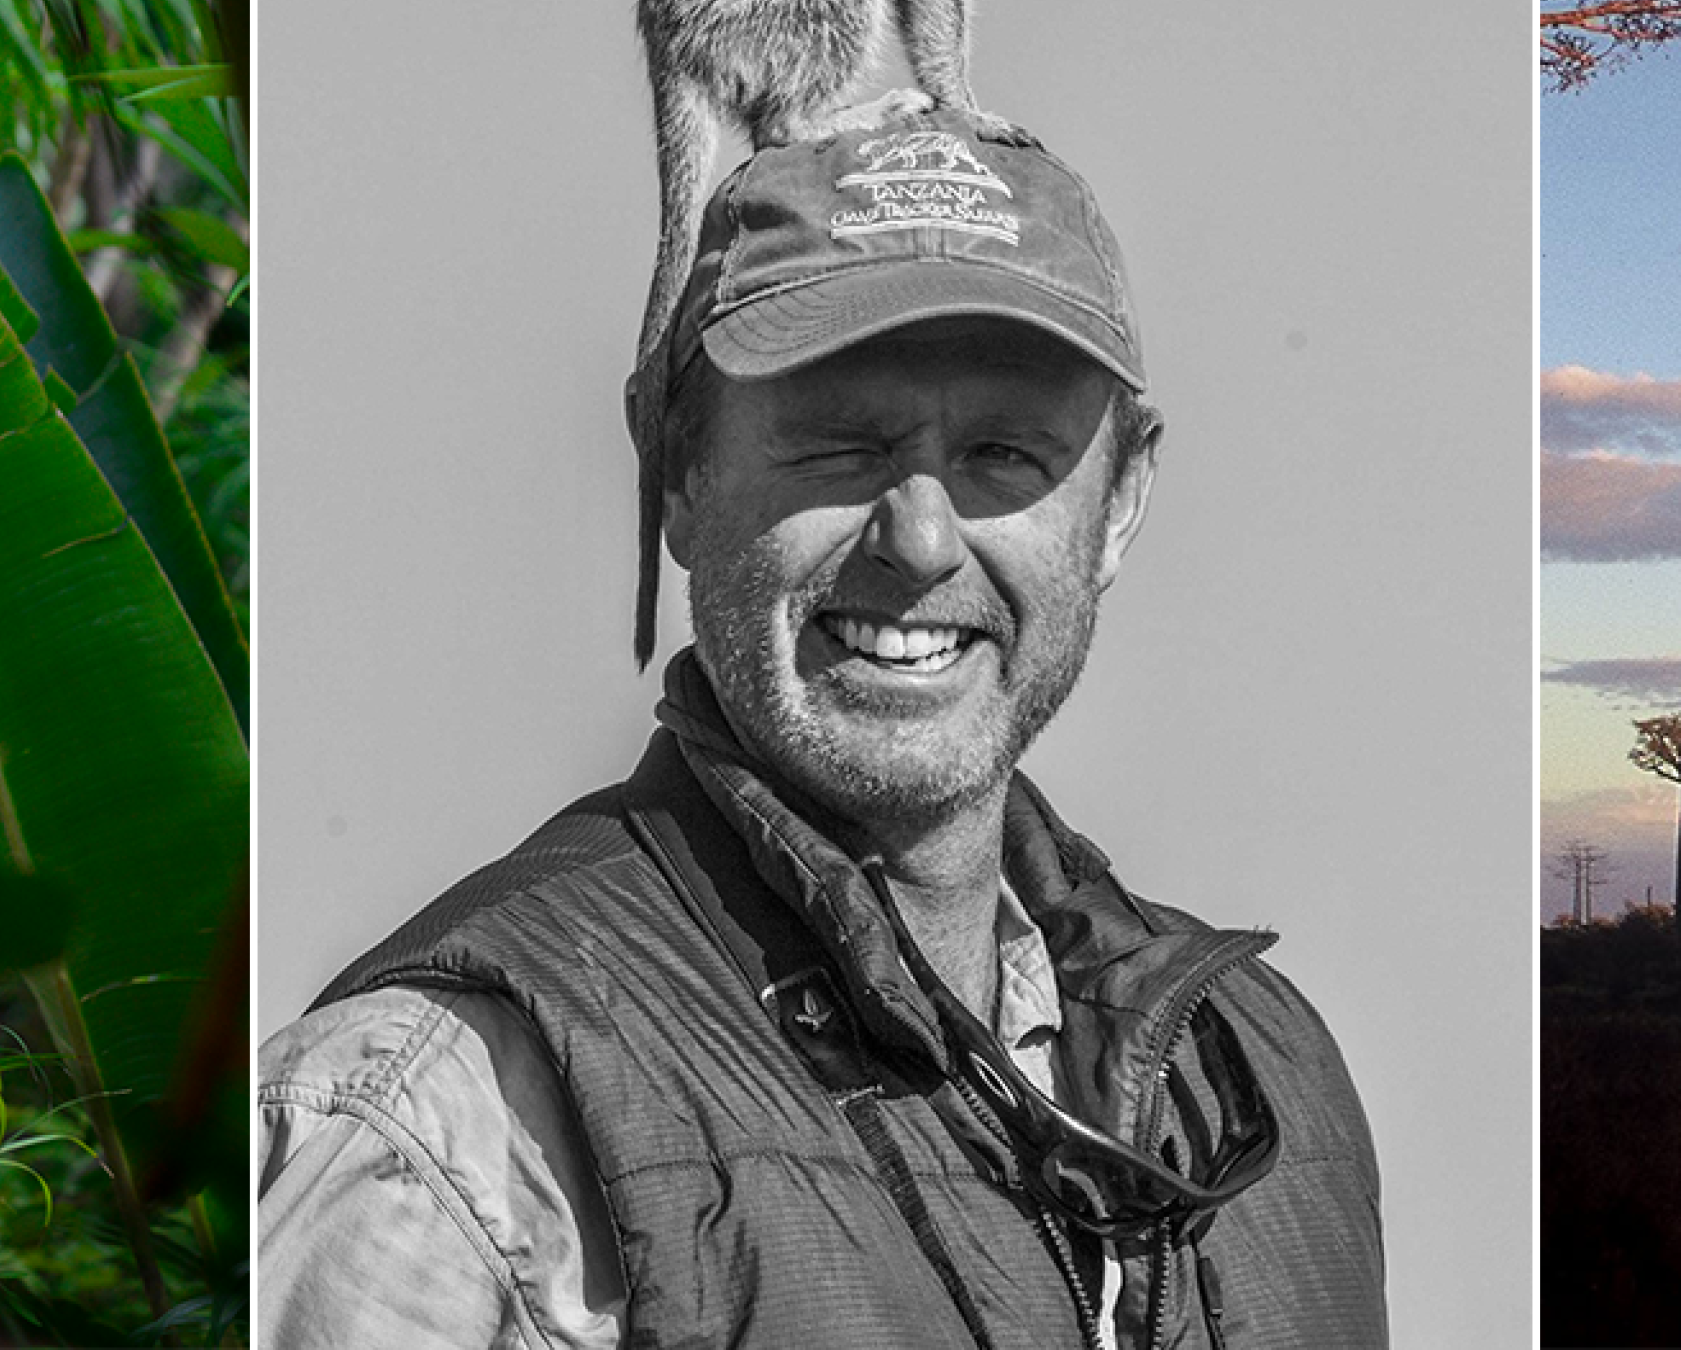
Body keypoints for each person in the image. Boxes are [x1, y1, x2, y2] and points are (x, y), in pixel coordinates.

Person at [256, 102, 1388, 1347]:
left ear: (1120, 500)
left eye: (1005, 452)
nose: (919, 538)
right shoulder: (445, 1124)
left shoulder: (1267, 1081)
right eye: (837, 446)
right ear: (676, 475)